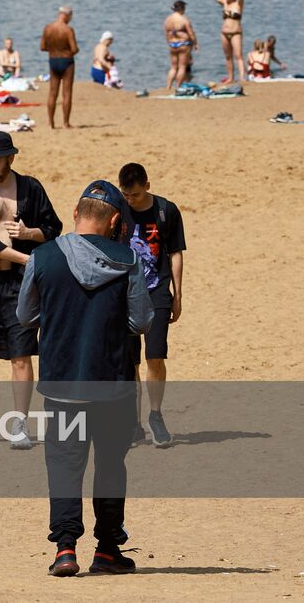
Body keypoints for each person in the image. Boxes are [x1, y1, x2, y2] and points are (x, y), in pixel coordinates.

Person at [17, 181, 152, 577]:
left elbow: (26, 316)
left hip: (61, 383)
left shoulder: (42, 256)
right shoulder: (127, 258)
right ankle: (108, 549)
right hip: (112, 384)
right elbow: (141, 320)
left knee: (63, 465)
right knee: (110, 464)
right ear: (114, 220)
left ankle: (64, 548)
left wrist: (61, 321)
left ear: (75, 214)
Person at [0, 131, 62, 449]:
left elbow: (54, 228)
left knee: (21, 356)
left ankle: (19, 422)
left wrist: (31, 233)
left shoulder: (31, 188)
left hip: (20, 286)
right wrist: (28, 259)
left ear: (11, 158)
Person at [118, 163, 186, 447]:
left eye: (134, 194)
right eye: (125, 194)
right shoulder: (117, 209)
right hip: (125, 294)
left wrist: (177, 294)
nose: (130, 200)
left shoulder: (166, 211)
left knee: (155, 357)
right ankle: (133, 423)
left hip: (157, 291)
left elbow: (175, 253)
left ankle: (155, 415)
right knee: (129, 362)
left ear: (147, 185)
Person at [39, 6, 78, 128]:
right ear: (67, 15)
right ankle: (66, 123)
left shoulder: (48, 28)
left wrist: (54, 49)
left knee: (52, 93)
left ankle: (51, 123)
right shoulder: (68, 30)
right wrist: (67, 50)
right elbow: (74, 49)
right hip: (66, 61)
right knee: (67, 93)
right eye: (71, 16)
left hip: (53, 60)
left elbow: (42, 47)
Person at [211, 0, 246, 85]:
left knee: (238, 55)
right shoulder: (224, 3)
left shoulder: (238, 4)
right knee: (228, 57)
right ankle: (230, 77)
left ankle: (242, 77)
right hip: (224, 33)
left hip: (236, 33)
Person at [163, 0, 197, 90]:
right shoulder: (183, 19)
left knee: (173, 67)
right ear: (182, 8)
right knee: (182, 66)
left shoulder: (167, 19)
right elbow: (191, 33)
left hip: (172, 44)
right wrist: (195, 43)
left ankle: (168, 86)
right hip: (183, 44)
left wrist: (169, 43)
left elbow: (166, 33)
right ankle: (178, 86)